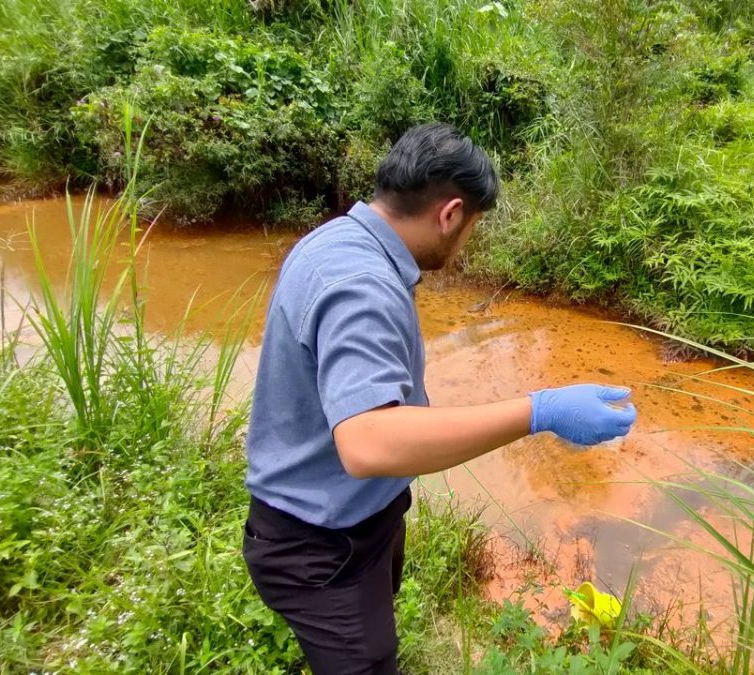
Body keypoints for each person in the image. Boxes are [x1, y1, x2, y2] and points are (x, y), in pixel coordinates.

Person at [242, 122, 637, 674]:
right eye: (473, 227)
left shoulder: (338, 241)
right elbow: (369, 443)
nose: (466, 242)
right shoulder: (361, 284)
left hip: (345, 520)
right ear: (450, 214)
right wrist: (539, 410)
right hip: (321, 548)